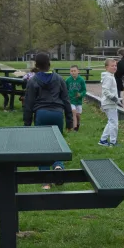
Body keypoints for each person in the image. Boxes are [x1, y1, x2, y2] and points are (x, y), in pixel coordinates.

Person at [23, 52, 74, 190]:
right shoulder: (59, 79)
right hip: (57, 113)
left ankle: (46, 181)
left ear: (36, 65)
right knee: (57, 143)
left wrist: (27, 123)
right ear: (49, 63)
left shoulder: (33, 81)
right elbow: (66, 100)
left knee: (42, 146)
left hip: (41, 114)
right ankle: (58, 165)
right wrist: (70, 121)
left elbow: (28, 103)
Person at [98, 58, 121, 147]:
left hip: (110, 103)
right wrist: (114, 99)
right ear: (106, 67)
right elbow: (106, 91)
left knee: (111, 122)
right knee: (114, 123)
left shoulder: (110, 76)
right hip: (109, 103)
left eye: (115, 65)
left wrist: (117, 98)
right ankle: (113, 142)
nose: (114, 67)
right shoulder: (108, 77)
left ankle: (103, 140)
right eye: (112, 66)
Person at [66, 65, 87, 131]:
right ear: (70, 72)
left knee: (78, 115)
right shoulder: (68, 80)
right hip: (71, 100)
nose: (73, 72)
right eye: (71, 71)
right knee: (73, 112)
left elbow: (84, 90)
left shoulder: (81, 80)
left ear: (78, 71)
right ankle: (74, 128)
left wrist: (80, 94)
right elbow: (65, 90)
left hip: (78, 101)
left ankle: (78, 124)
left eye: (74, 71)